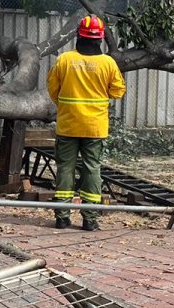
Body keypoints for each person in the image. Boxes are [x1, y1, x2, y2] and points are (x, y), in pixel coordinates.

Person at [46, 15, 125, 230]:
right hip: (95, 127)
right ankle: (90, 220)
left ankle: (62, 217)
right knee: (92, 169)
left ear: (78, 36)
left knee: (65, 169)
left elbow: (53, 88)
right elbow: (118, 91)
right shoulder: (108, 63)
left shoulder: (64, 59)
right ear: (100, 39)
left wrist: (66, 104)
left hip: (68, 124)